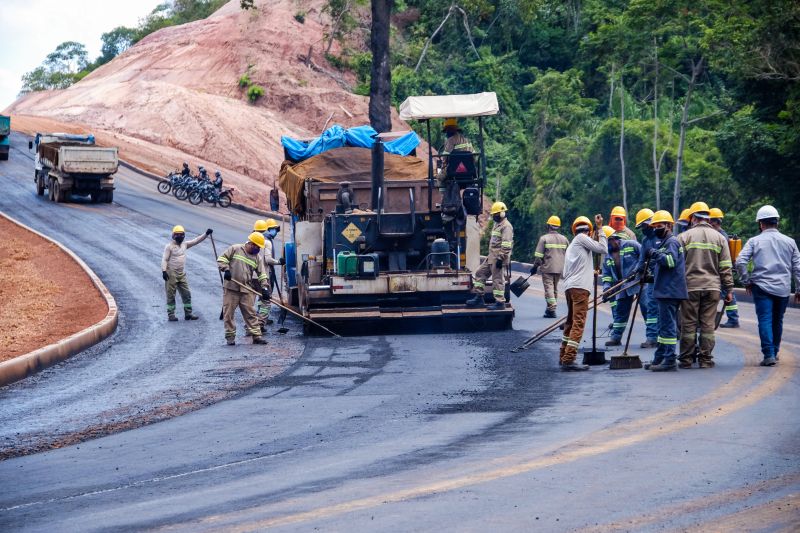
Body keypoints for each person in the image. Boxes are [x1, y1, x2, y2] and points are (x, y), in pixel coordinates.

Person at [735, 205, 800, 367]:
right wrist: (799, 289)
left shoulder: (754, 241)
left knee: (765, 319)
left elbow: (740, 261)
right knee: (778, 320)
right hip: (783, 288)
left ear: (761, 224)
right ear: (777, 222)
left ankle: (769, 354)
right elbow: (798, 268)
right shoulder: (790, 242)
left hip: (761, 287)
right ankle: (775, 351)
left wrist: (746, 281)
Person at [677, 201, 734, 368]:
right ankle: (705, 360)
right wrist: (729, 289)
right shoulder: (720, 238)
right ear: (708, 218)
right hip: (713, 288)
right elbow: (725, 267)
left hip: (690, 287)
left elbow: (677, 266)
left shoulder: (683, 237)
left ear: (693, 218)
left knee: (688, 324)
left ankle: (686, 360)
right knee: (708, 325)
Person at [560, 215, 608, 371]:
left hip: (570, 287)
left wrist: (591, 271)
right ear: (588, 231)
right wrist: (600, 228)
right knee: (578, 323)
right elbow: (602, 248)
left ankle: (563, 356)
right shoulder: (581, 238)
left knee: (571, 322)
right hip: (580, 289)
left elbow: (578, 266)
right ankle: (569, 359)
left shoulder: (574, 245)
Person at [647, 211, 689, 371]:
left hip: (670, 292)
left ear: (669, 226)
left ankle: (670, 360)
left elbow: (670, 262)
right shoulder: (665, 242)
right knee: (662, 327)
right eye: (655, 226)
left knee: (667, 326)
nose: (657, 229)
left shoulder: (672, 242)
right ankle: (660, 357)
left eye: (660, 226)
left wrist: (655, 254)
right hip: (665, 290)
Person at [217, 232, 270, 345]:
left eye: (259, 248)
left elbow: (262, 274)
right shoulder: (235, 249)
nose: (258, 249)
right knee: (228, 314)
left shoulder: (257, 258)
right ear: (251, 243)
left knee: (251, 314)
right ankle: (230, 338)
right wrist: (226, 269)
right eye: (256, 247)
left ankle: (257, 336)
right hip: (231, 288)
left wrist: (265, 288)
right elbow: (222, 259)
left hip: (246, 289)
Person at [466, 201, 513, 311]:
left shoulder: (506, 226)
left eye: (496, 214)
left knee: (497, 280)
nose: (494, 217)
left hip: (498, 258)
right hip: (491, 257)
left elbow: (507, 245)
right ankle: (479, 298)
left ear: (502, 214)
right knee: (480, 273)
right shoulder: (498, 225)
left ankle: (500, 302)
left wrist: (501, 259)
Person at [161, 225, 212, 321]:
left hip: (181, 274)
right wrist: (164, 271)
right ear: (173, 235)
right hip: (171, 273)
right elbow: (165, 259)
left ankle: (188, 313)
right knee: (171, 294)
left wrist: (206, 234)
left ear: (184, 235)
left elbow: (196, 241)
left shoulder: (185, 245)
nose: (179, 236)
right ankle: (171, 315)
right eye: (177, 235)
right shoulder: (169, 247)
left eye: (181, 235)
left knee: (187, 294)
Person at [601, 228, 642, 346]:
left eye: (607, 242)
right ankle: (616, 337)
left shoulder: (631, 245)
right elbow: (607, 276)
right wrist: (606, 289)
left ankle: (652, 338)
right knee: (621, 311)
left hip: (639, 282)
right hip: (623, 285)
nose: (606, 245)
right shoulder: (607, 257)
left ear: (614, 239)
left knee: (647, 309)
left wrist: (640, 270)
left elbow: (644, 258)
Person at [532, 215, 569, 318]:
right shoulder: (564, 239)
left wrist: (535, 267)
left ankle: (552, 308)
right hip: (560, 268)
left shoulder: (544, 238)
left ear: (548, 225)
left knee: (549, 288)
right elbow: (569, 254)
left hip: (548, 268)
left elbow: (539, 256)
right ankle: (549, 309)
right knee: (554, 289)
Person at [709, 207, 739, 328]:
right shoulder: (720, 234)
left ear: (715, 222)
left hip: (721, 270)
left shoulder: (721, 236)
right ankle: (732, 318)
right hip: (720, 269)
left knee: (727, 293)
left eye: (710, 220)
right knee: (726, 293)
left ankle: (733, 319)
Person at [253, 219, 284, 330]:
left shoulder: (251, 240)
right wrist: (279, 262)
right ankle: (260, 323)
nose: (276, 232)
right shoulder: (267, 242)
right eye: (275, 229)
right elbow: (268, 259)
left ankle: (253, 322)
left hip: (251, 276)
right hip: (263, 276)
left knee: (253, 299)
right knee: (265, 300)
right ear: (268, 229)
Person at [634, 208, 660, 348]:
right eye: (641, 227)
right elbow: (641, 259)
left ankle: (663, 336)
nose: (643, 229)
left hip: (663, 279)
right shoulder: (645, 240)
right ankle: (651, 337)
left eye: (644, 226)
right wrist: (636, 271)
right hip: (651, 279)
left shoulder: (662, 237)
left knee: (662, 308)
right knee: (651, 308)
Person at [436, 118, 474, 188]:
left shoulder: (450, 140)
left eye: (447, 131)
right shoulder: (467, 140)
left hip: (453, 171)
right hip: (469, 171)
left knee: (439, 178)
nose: (446, 133)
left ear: (449, 130)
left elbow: (444, 158)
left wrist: (443, 167)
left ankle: (443, 195)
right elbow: (475, 157)